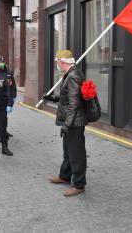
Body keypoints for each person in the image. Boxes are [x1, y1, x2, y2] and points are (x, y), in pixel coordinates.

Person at [43, 50, 87, 197]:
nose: (57, 65)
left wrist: (67, 125)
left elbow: (74, 103)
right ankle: (65, 176)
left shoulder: (73, 76)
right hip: (71, 121)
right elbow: (67, 96)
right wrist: (53, 98)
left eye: (57, 62)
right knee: (68, 151)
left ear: (62, 62)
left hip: (74, 122)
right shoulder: (71, 74)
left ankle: (79, 185)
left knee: (76, 154)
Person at [0, 56, 17, 140]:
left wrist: (14, 96)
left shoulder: (8, 71)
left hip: (7, 97)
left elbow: (13, 85)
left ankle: (4, 131)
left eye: (3, 62)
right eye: (0, 62)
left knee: (4, 116)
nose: (2, 63)